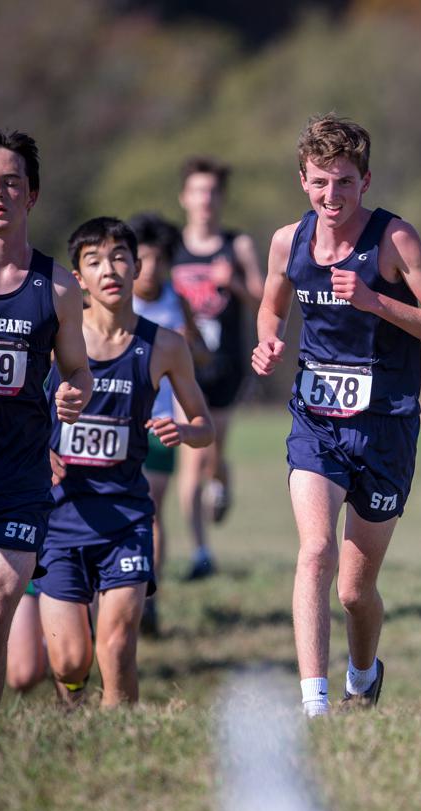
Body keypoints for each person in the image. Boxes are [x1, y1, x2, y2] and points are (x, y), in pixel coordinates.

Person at [252, 114, 421, 716]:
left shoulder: (396, 241)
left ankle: (363, 674)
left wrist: (376, 301)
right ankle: (314, 706)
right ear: (302, 181)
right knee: (315, 551)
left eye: (343, 182)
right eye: (320, 182)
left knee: (353, 590)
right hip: (315, 422)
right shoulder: (286, 242)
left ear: (365, 182)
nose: (331, 196)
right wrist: (267, 341)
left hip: (386, 426)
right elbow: (271, 308)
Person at [36, 216, 214, 707]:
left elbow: (206, 426)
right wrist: (38, 447)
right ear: (79, 279)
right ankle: (74, 709)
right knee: (70, 661)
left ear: (138, 267)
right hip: (60, 518)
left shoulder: (165, 346)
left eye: (119, 257)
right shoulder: (53, 344)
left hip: (127, 518)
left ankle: (123, 734)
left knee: (116, 645)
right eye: (94, 261)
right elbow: (12, 414)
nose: (109, 269)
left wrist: (184, 430)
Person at [0, 129, 92, 719]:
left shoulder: (59, 287)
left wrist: (71, 393)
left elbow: (77, 371)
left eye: (12, 182)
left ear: (32, 196)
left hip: (17, 482)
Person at [172, 156, 264, 580]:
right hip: (182, 366)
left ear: (220, 199)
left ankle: (222, 479)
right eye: (198, 191)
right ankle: (200, 552)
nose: (205, 199)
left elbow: (266, 301)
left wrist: (236, 284)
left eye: (212, 192)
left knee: (214, 454)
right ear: (184, 198)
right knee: (191, 456)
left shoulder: (237, 244)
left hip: (227, 366)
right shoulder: (172, 248)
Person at [128, 212, 204, 635]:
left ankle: (149, 597)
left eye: (159, 259)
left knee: (151, 511)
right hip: (114, 421)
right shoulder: (114, 299)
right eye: (142, 258)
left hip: (161, 423)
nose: (150, 268)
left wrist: (189, 346)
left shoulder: (177, 301)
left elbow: (202, 358)